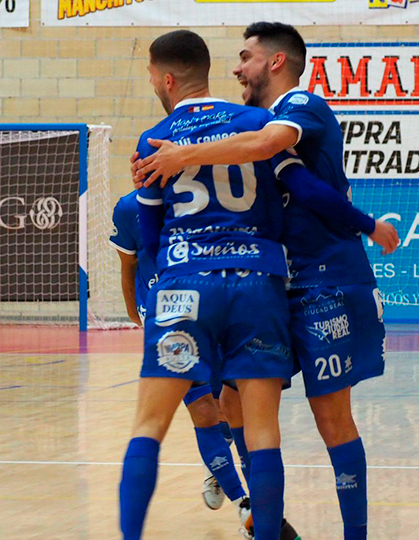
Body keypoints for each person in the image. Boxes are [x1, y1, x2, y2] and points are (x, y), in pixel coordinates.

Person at [133, 22, 399, 540]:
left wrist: (178, 155)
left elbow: (272, 151)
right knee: (232, 402)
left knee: (332, 421)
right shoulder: (252, 122)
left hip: (322, 281)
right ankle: (268, 522)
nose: (236, 68)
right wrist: (158, 164)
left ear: (274, 63)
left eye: (245, 57)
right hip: (268, 285)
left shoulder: (299, 107)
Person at [118, 30, 299, 540]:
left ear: (167, 78)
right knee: (262, 432)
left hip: (183, 283)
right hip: (255, 282)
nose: (153, 82)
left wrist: (160, 291)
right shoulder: (258, 123)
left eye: (153, 75)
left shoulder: (155, 137)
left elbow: (148, 234)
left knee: (149, 426)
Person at [111, 190, 264, 534]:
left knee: (231, 408)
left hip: (216, 307)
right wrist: (135, 312)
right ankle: (245, 504)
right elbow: (128, 262)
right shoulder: (129, 207)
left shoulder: (209, 196)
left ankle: (223, 467)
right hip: (168, 313)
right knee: (203, 411)